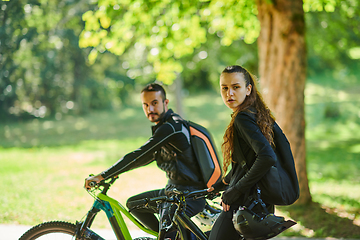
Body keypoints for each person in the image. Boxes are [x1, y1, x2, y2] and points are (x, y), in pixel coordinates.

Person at [84, 83, 206, 238]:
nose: (150, 109)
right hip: (173, 191)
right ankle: (173, 236)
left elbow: (139, 155)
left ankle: (171, 236)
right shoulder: (166, 126)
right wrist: (116, 172)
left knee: (166, 235)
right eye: (146, 105)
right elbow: (146, 157)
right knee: (134, 205)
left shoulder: (171, 127)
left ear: (165, 103)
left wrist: (102, 175)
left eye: (154, 103)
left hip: (186, 194)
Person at [208, 65, 277, 240]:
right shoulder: (255, 113)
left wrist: (234, 190)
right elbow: (246, 163)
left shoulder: (243, 118)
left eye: (235, 87)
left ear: (248, 89)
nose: (229, 93)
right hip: (259, 201)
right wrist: (221, 184)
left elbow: (267, 157)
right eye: (224, 88)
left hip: (245, 203)